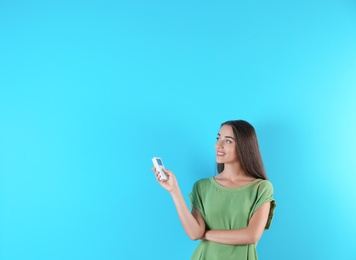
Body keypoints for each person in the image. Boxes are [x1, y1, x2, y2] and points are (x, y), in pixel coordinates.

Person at [152, 120, 276, 260]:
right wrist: (174, 190)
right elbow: (194, 233)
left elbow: (251, 236)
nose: (218, 145)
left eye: (228, 141)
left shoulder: (261, 188)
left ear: (244, 146)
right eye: (218, 138)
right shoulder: (202, 187)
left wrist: (205, 234)